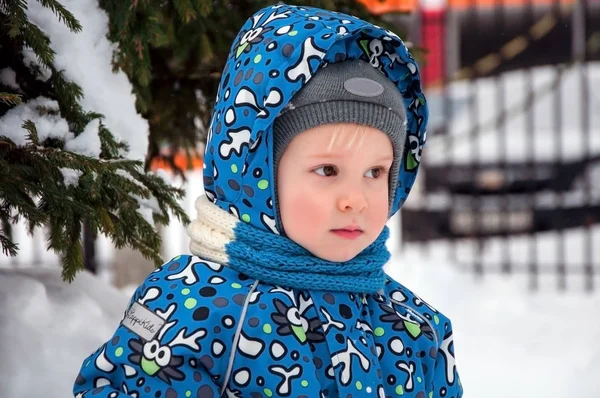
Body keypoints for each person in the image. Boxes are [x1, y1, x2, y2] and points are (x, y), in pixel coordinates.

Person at [73, 4, 462, 397]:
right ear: (256, 172)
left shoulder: (414, 328)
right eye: (327, 170)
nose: (355, 200)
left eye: (375, 173)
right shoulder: (193, 313)